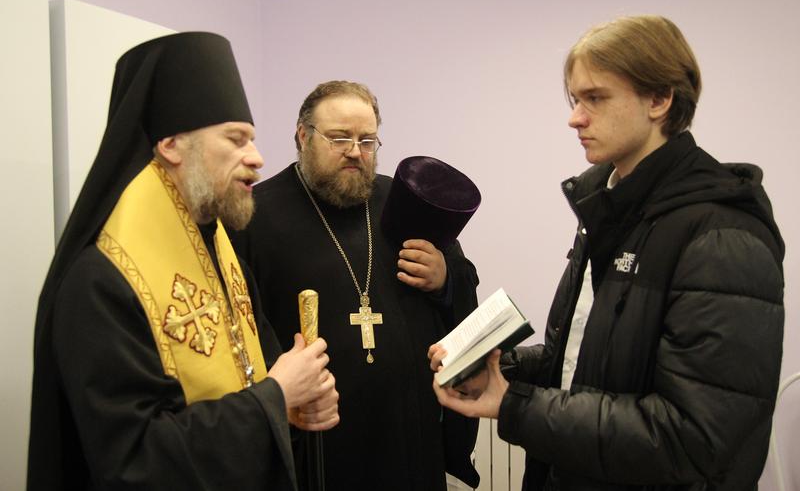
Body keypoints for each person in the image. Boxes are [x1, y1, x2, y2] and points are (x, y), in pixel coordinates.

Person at [431, 15, 785, 490]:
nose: (575, 118)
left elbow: (691, 439)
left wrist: (516, 405)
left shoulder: (721, 235)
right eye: (576, 100)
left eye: (595, 98)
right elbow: (579, 360)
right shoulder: (608, 209)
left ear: (659, 99)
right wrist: (499, 368)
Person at [27, 32, 339, 491]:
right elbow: (133, 459)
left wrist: (293, 409)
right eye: (235, 139)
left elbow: (260, 381)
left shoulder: (224, 258)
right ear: (172, 145)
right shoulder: (101, 281)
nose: (256, 158)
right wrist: (275, 398)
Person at [232, 81, 481, 490]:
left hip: (407, 430)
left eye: (367, 140)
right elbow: (243, 328)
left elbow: (463, 285)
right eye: (339, 138)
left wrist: (445, 279)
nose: (355, 151)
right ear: (303, 136)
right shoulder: (253, 216)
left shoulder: (404, 200)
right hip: (319, 437)